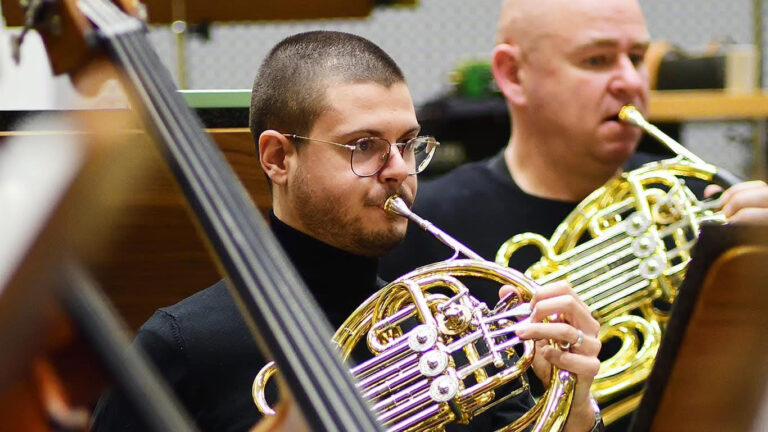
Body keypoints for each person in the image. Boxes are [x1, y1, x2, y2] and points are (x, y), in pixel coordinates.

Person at [92, 30, 602, 432]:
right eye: (364, 146)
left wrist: (576, 409)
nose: (399, 169)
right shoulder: (185, 346)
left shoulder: (451, 338)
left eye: (408, 144)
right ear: (277, 158)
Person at [381, 0, 768, 429]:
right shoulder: (423, 227)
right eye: (597, 60)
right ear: (513, 74)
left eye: (637, 58)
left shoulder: (703, 205)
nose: (628, 80)